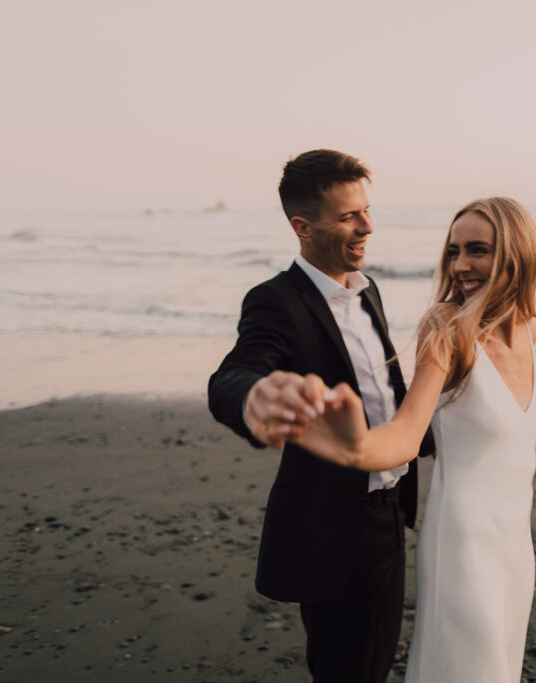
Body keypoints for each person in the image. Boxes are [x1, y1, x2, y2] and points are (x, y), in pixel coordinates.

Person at [279, 196, 536, 682]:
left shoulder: (531, 328)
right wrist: (352, 446)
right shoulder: (445, 328)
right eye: (453, 251)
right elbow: (407, 432)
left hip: (515, 543)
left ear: (517, 252)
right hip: (463, 544)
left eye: (477, 250)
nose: (461, 265)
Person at [207, 149, 433, 683]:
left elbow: (380, 385)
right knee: (346, 667)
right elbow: (234, 373)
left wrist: (427, 434)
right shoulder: (275, 302)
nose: (367, 227)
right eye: (349, 217)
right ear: (302, 227)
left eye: (367, 211)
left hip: (388, 509)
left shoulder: (367, 288)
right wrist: (252, 397)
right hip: (334, 523)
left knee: (374, 655)